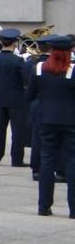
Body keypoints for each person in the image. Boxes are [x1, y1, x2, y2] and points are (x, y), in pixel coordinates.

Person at [27, 35, 73, 217]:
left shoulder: (38, 69)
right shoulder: (72, 70)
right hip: (70, 121)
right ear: (69, 52)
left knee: (46, 162)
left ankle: (44, 206)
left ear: (52, 51)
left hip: (46, 119)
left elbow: (29, 96)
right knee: (71, 161)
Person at [0, 29, 31, 167]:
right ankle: (17, 159)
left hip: (1, 99)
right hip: (17, 100)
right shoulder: (18, 60)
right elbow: (26, 80)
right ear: (15, 43)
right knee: (18, 131)